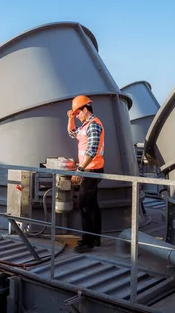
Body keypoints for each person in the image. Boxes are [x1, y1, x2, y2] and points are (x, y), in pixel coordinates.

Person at [67, 95, 105, 253]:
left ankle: (87, 242)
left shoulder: (93, 125)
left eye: (78, 113)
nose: (77, 116)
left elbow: (92, 150)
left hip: (91, 169)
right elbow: (72, 133)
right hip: (89, 169)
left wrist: (80, 170)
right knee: (92, 204)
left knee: (84, 205)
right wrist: (70, 119)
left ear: (84, 109)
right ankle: (95, 238)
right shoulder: (85, 126)